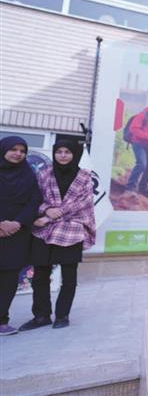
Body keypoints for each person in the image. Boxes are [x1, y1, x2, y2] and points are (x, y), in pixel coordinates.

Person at [18, 140, 95, 331]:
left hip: (71, 229)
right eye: (59, 151)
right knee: (40, 276)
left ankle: (62, 315)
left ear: (75, 154)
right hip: (44, 230)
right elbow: (35, 196)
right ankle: (41, 316)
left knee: (69, 277)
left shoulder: (85, 176)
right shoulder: (44, 173)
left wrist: (51, 215)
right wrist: (46, 210)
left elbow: (83, 202)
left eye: (67, 152)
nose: (62, 155)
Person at [0, 136, 43, 336]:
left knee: (9, 279)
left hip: (17, 234)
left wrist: (16, 223)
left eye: (22, 150)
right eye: (13, 149)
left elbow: (34, 201)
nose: (18, 154)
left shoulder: (28, 175)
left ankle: (2, 320)